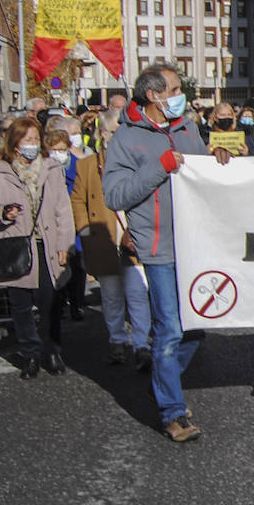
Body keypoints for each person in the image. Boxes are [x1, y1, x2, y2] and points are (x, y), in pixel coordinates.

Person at [103, 63, 233, 442]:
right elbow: (115, 195)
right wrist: (159, 167)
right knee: (170, 331)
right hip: (159, 248)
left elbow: (202, 173)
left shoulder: (187, 128)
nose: (182, 95)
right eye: (175, 89)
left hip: (196, 244)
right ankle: (173, 413)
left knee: (196, 329)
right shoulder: (127, 139)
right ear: (154, 96)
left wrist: (218, 158)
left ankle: (162, 381)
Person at [0, 117, 74, 379]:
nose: (32, 144)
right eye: (27, 139)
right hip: (14, 244)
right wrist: (1, 212)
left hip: (47, 244)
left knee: (50, 302)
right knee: (20, 305)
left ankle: (52, 352)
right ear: (15, 142)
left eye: (35, 138)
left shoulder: (51, 168)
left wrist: (66, 244)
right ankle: (30, 354)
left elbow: (63, 210)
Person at [71, 109, 152, 368]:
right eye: (115, 132)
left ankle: (141, 345)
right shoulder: (87, 165)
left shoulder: (138, 162)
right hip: (103, 238)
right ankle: (117, 341)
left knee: (138, 293)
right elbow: (77, 201)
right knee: (112, 295)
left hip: (132, 237)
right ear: (103, 134)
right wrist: (86, 231)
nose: (120, 138)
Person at [45, 129, 89, 322]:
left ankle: (77, 304)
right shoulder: (45, 169)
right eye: (54, 150)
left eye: (62, 149)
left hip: (76, 224)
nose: (58, 154)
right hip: (55, 224)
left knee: (77, 266)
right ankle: (60, 304)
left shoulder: (79, 167)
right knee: (59, 265)